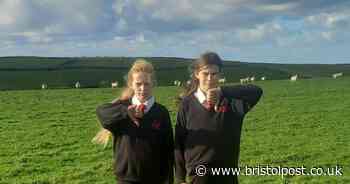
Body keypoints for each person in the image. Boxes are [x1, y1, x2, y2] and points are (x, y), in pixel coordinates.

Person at [174, 52, 263, 184]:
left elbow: (256, 91)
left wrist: (222, 91)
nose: (210, 78)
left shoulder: (232, 102)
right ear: (197, 74)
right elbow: (179, 142)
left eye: (214, 74)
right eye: (205, 73)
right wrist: (180, 179)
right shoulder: (187, 104)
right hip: (198, 177)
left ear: (220, 75)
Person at [93, 59, 174, 184]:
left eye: (146, 84)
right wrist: (125, 113)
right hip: (126, 179)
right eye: (138, 84)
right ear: (131, 84)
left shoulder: (161, 112)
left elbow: (168, 150)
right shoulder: (122, 107)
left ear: (153, 83)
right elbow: (101, 112)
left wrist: (169, 180)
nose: (143, 88)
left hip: (155, 179)